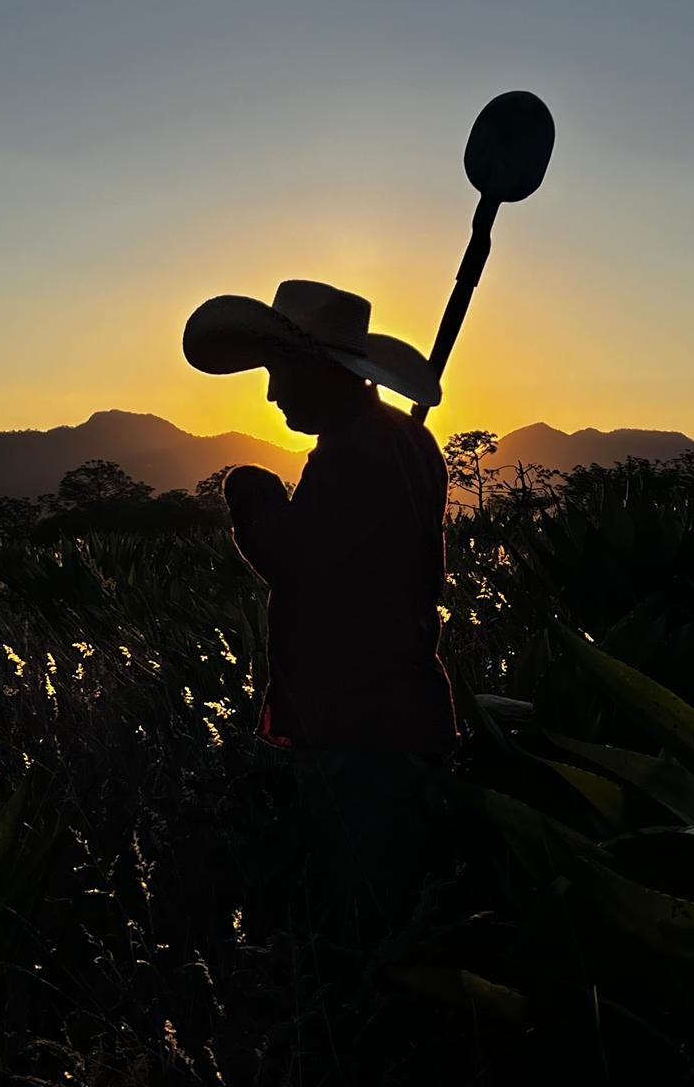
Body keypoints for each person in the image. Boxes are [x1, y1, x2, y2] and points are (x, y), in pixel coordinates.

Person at [183, 280, 461, 947]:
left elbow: (299, 563)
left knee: (364, 920)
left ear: (322, 371)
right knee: (395, 906)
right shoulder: (401, 443)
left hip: (358, 728)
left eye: (279, 373)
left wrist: (249, 495)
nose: (273, 393)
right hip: (403, 712)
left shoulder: (356, 455)